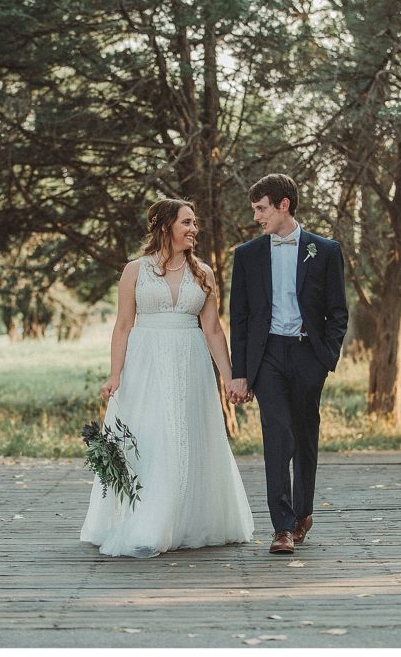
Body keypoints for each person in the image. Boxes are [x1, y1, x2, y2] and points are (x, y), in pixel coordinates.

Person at [80, 198, 254, 558]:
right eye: (186, 223)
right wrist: (115, 375)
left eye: (194, 224)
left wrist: (230, 377)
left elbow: (213, 331)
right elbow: (123, 325)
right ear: (165, 227)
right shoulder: (135, 271)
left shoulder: (203, 272)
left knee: (186, 436)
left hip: (190, 362)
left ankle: (186, 520)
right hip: (146, 363)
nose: (193, 229)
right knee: (152, 436)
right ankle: (149, 520)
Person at [228, 174, 348, 555]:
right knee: (277, 431)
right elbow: (240, 317)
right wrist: (240, 372)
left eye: (262, 208)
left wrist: (325, 357)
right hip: (268, 358)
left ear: (284, 205)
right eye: (254, 210)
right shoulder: (247, 255)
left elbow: (337, 311)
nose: (257, 217)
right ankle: (281, 526)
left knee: (304, 434)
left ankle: (303, 513)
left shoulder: (325, 250)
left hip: (308, 356)